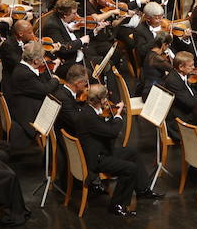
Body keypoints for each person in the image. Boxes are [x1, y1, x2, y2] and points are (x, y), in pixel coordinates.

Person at [63, 84, 163, 216]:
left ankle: (142, 189)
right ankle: (117, 204)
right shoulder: (89, 117)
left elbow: (103, 129)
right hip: (97, 159)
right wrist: (118, 116)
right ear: (102, 100)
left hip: (98, 152)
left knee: (132, 152)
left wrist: (110, 117)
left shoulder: (89, 111)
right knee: (130, 168)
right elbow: (112, 132)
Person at [161, 52, 197, 138]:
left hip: (183, 111)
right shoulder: (173, 81)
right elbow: (191, 103)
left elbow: (188, 91)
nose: (193, 68)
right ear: (181, 67)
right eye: (190, 66)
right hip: (178, 120)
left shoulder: (179, 75)